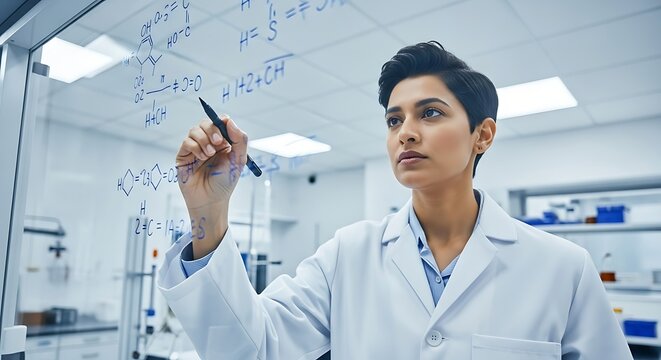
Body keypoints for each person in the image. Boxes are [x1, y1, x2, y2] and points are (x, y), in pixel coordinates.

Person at [158, 41, 632, 359]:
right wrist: (207, 213)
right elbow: (252, 349)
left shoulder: (563, 268)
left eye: (430, 113)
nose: (405, 132)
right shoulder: (347, 255)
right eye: (393, 120)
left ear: (482, 135)